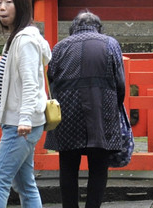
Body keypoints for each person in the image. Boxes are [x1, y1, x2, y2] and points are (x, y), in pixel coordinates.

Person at [44, 11, 127, 208]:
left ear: (73, 28)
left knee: (68, 166)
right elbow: (120, 83)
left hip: (67, 114)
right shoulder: (110, 43)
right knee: (98, 165)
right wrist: (114, 107)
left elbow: (51, 82)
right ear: (99, 27)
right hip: (101, 112)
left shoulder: (59, 47)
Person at [0, 0, 51, 208]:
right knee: (24, 183)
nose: (2, 7)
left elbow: (31, 84)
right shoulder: (15, 39)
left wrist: (23, 119)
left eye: (8, 2)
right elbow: (8, 84)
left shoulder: (25, 42)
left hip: (22, 125)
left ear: (21, 6)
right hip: (16, 121)